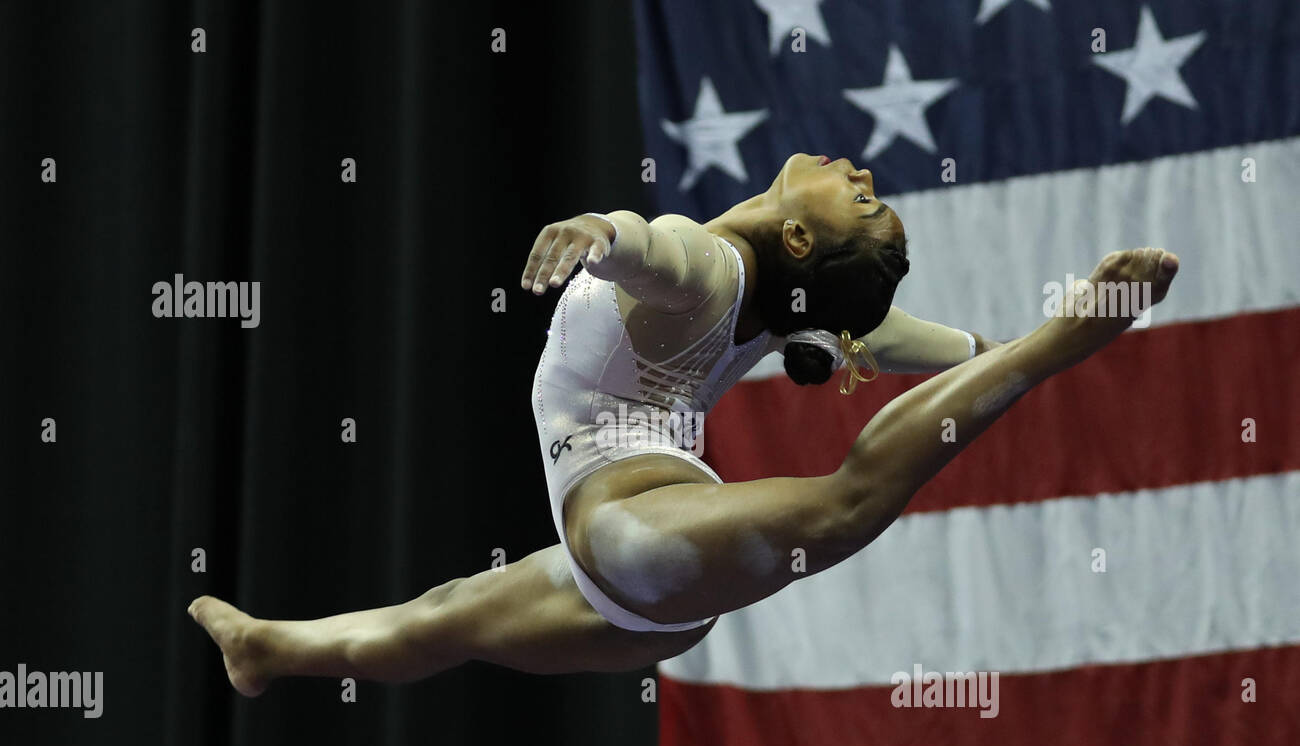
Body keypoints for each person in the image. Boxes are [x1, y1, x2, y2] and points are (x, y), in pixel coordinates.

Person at [189, 152, 1179, 695]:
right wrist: (979, 353)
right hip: (640, 590)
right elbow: (951, 351)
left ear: (797, 235)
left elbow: (655, 251)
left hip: (641, 535)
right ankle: (267, 651)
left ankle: (1064, 342)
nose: (855, 168)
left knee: (847, 503)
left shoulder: (714, 266)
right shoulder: (801, 305)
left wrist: (599, 234)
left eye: (860, 197)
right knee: (441, 618)